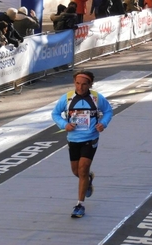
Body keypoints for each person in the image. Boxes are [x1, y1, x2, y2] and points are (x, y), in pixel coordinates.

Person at [51, 70, 113, 218]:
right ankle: (88, 179)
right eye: (77, 83)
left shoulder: (97, 98)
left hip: (90, 138)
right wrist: (64, 125)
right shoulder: (67, 98)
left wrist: (103, 124)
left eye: (84, 84)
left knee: (83, 169)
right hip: (73, 139)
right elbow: (55, 114)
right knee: (76, 172)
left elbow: (108, 111)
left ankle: (79, 205)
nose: (80, 87)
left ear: (90, 84)